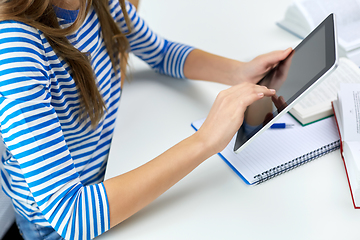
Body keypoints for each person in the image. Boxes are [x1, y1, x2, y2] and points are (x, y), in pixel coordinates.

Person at [0, 0, 292, 239]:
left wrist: (239, 72)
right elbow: (73, 216)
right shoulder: (16, 52)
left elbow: (161, 53)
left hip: (111, 166)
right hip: (61, 225)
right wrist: (204, 140)